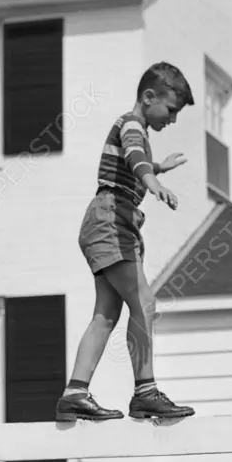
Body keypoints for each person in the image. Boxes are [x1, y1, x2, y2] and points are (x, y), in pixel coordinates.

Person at [56, 62, 197, 423]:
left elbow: (133, 158)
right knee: (145, 304)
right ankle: (146, 392)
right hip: (111, 219)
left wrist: (158, 168)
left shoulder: (133, 128)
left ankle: (75, 393)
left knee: (106, 314)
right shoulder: (131, 124)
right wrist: (153, 181)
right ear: (148, 97)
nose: (173, 119)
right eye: (170, 110)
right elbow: (134, 157)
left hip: (108, 221)